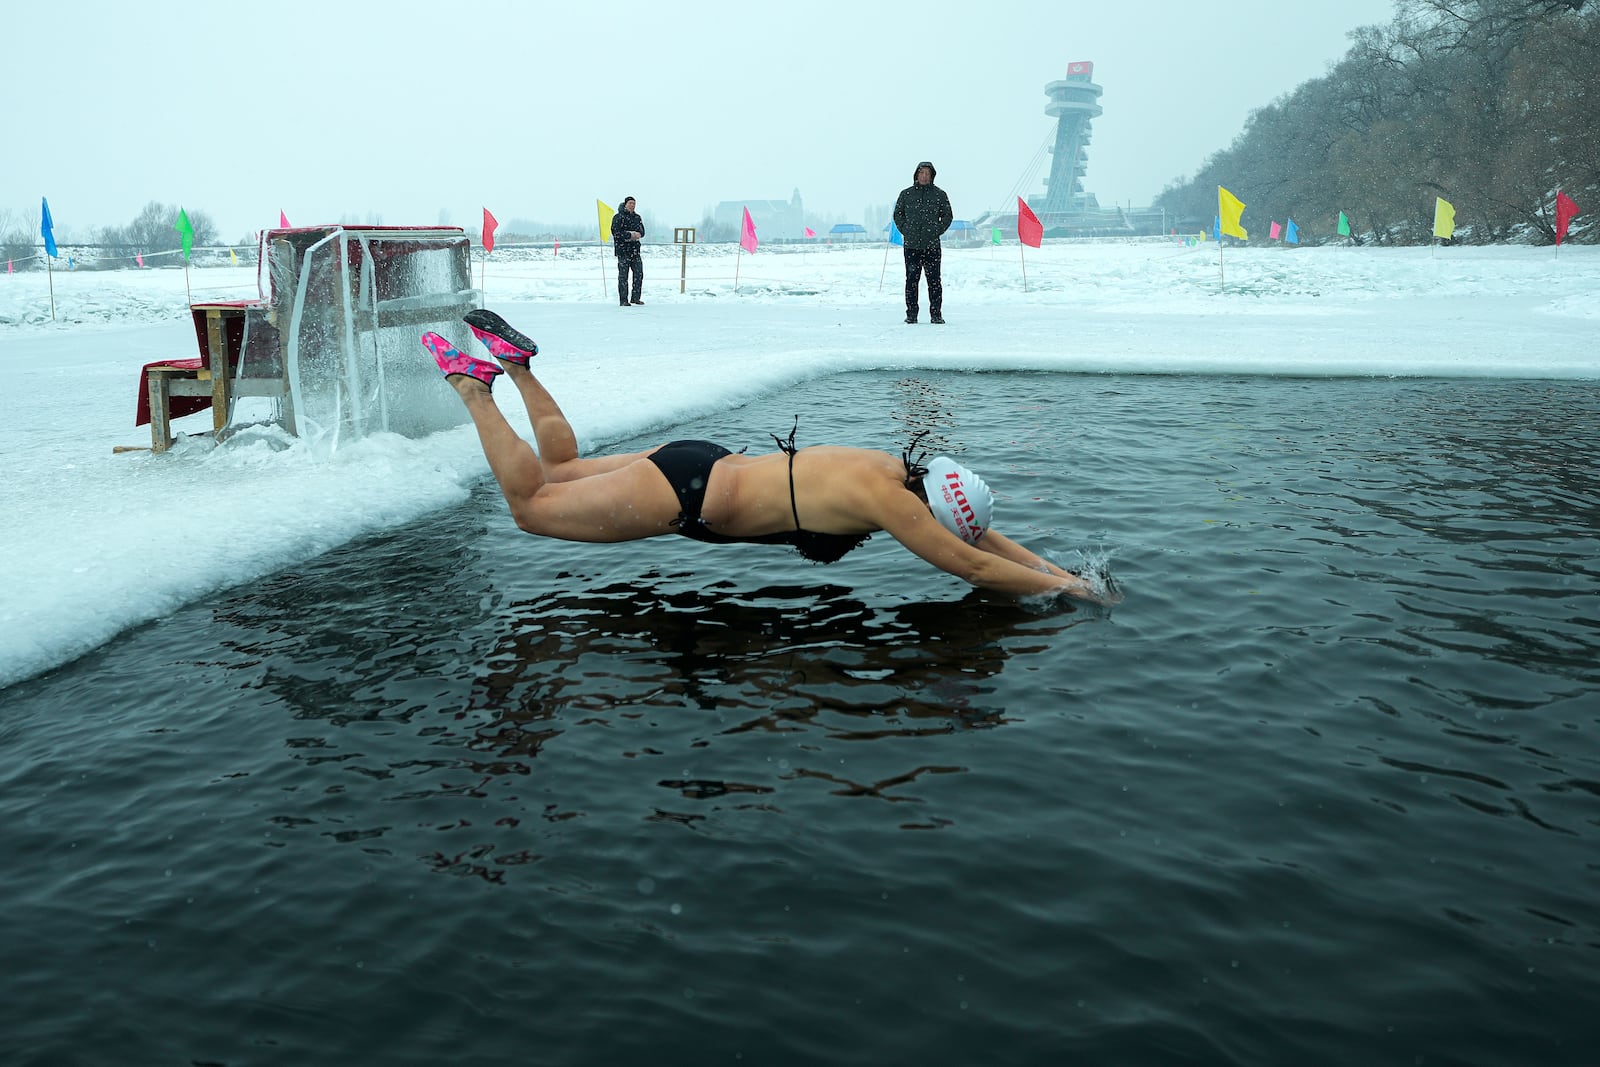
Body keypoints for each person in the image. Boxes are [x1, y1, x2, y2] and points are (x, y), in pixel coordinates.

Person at [422, 310, 1116, 604]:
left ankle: (516, 366)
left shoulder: (894, 470)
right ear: (929, 506)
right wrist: (1065, 591)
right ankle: (472, 384)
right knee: (530, 508)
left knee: (564, 473)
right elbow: (969, 560)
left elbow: (979, 534)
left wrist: (1061, 570)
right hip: (690, 496)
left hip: (703, 459)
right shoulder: (891, 507)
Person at [892, 161, 953, 325]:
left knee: (934, 281)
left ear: (932, 175)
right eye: (921, 173)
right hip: (911, 245)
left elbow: (948, 216)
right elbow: (898, 214)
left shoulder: (940, 195)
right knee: (911, 280)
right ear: (916, 175)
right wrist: (906, 230)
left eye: (927, 173)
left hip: (932, 245)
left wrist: (936, 231)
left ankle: (936, 315)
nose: (924, 176)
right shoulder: (906, 194)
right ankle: (911, 314)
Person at [611, 196, 645, 306]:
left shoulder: (637, 217)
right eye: (630, 203)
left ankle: (635, 298)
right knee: (623, 276)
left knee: (638, 274)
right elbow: (616, 233)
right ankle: (623, 300)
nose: (632, 205)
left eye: (634, 203)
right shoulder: (618, 217)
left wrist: (638, 234)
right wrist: (630, 235)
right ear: (625, 204)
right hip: (623, 251)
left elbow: (642, 231)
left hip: (635, 251)